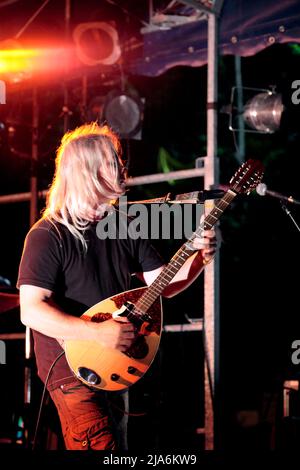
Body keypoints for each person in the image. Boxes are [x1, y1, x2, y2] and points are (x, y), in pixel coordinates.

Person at [17, 122, 218, 450]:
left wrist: (198, 259)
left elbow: (163, 285)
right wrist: (94, 332)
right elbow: (31, 309)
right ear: (88, 171)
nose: (122, 168)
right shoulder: (47, 235)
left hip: (118, 365)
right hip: (71, 372)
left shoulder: (122, 225)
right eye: (113, 161)